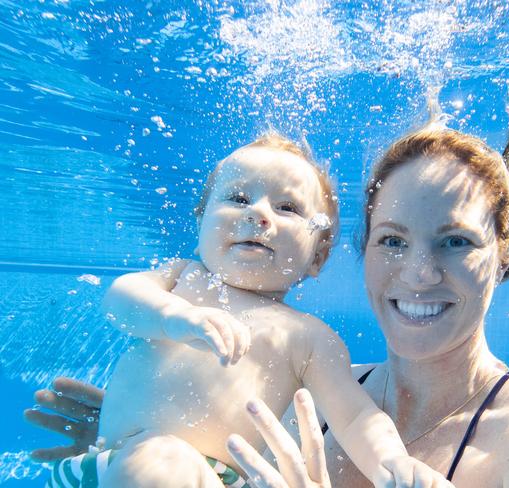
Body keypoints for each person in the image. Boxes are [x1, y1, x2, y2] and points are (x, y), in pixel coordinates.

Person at [26, 119, 509, 487]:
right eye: (393, 240)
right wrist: (154, 441)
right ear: (361, 250)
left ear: (505, 252)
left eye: (455, 241)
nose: (419, 273)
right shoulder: (307, 397)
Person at [27, 133, 432, 488]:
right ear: (201, 222)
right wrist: (172, 316)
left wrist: (393, 464)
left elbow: (355, 417)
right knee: (155, 461)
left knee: (163, 463)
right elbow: (119, 298)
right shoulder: (181, 280)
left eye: (287, 208)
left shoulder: (307, 337)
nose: (257, 214)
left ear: (318, 255)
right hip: (103, 462)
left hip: (211, 476)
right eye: (237, 198)